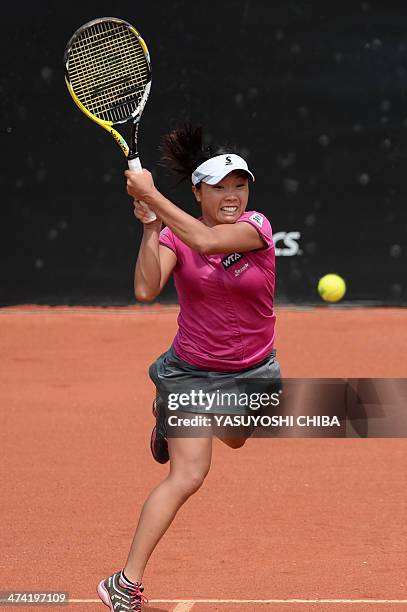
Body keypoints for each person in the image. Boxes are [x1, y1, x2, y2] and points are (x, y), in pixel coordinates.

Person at [97, 124, 281, 611]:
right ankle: (124, 582)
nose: (233, 195)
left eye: (240, 185)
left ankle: (172, 421)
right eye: (220, 187)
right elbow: (145, 289)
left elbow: (205, 241)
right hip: (190, 373)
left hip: (253, 371)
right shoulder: (179, 239)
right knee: (189, 475)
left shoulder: (256, 228)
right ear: (198, 191)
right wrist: (150, 226)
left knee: (239, 436)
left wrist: (154, 198)